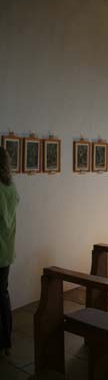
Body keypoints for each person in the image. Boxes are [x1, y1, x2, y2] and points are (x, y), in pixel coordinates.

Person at [0, 147, 19, 356]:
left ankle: (4, 338)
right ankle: (6, 339)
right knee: (3, 294)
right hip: (6, 250)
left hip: (1, 249)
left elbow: (3, 221)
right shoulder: (11, 188)